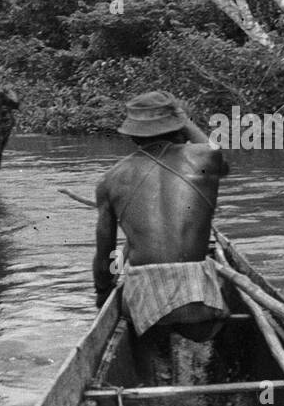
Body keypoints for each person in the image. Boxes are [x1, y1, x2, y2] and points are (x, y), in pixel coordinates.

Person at [93, 91, 230, 373]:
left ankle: (154, 366)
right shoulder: (205, 158)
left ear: (132, 135)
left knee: (145, 326)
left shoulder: (110, 180)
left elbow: (105, 258)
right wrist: (182, 117)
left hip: (146, 306)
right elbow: (217, 152)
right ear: (178, 127)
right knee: (217, 310)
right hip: (199, 305)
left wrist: (103, 294)